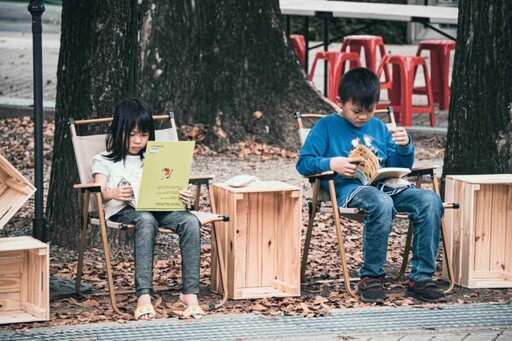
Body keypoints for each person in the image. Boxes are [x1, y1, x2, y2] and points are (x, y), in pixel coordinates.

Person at [296, 68, 446, 304]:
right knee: (381, 202)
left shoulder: (378, 127)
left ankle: (421, 279)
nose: (364, 117)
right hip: (348, 189)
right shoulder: (326, 126)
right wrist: (332, 163)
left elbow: (399, 164)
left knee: (430, 200)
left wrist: (405, 147)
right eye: (356, 111)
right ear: (339, 103)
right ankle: (371, 276)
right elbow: (303, 163)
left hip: (388, 186)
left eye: (370, 110)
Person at [91, 98, 205, 320]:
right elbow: (100, 190)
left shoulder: (155, 157)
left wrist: (182, 194)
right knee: (145, 219)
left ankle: (189, 294)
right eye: (131, 134)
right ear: (118, 130)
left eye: (143, 135)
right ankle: (144, 296)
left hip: (159, 207)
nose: (137, 140)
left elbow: (172, 184)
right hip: (126, 211)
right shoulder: (103, 160)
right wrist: (113, 193)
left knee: (190, 221)